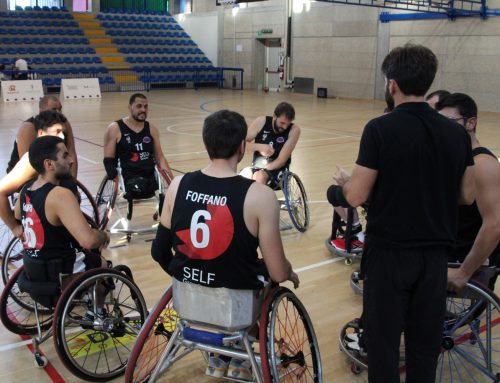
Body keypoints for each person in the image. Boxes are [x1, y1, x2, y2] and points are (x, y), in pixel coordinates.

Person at [329, 44, 475, 383]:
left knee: (383, 348)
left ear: (391, 83)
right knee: (424, 348)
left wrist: (336, 191)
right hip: (435, 257)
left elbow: (357, 194)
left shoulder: (380, 128)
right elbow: (466, 195)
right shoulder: (456, 133)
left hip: (390, 256)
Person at [151, 109, 299, 380]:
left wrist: (187, 272)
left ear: (206, 142)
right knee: (267, 277)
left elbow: (158, 251)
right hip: (236, 309)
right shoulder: (261, 196)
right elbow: (277, 272)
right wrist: (288, 271)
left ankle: (220, 358)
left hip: (186, 301)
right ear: (242, 146)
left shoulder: (178, 185)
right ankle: (239, 359)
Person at [14, 136, 109, 291]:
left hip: (33, 271)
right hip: (58, 274)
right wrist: (104, 236)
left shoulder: (25, 190)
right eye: (65, 156)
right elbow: (88, 241)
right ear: (49, 164)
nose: (71, 160)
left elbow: (18, 217)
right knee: (102, 263)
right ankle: (96, 312)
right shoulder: (60, 195)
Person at [435, 93, 500, 290]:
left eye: (449, 122)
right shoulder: (459, 158)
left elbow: (494, 226)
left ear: (470, 123)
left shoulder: (483, 165)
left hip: (460, 255)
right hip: (448, 243)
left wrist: (464, 272)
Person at [0, 110, 70, 239]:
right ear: (41, 133)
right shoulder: (30, 161)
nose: (63, 137)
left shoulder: (60, 156)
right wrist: (14, 227)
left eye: (63, 133)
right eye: (57, 132)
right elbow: (1, 191)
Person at [103, 93, 173, 198]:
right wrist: (113, 176)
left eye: (146, 106)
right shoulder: (115, 128)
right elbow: (108, 160)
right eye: (139, 106)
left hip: (150, 177)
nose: (143, 110)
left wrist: (172, 181)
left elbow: (160, 157)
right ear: (130, 107)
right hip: (127, 177)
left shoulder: (152, 129)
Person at [7, 95, 78, 177]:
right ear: (41, 111)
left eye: (60, 109)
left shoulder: (64, 123)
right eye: (54, 109)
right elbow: (28, 165)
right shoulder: (29, 127)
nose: (58, 112)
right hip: (24, 176)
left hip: (50, 172)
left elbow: (71, 153)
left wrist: (73, 181)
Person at [243, 102, 300, 186]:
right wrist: (259, 147)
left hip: (278, 169)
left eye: (287, 124)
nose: (284, 127)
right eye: (282, 123)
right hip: (257, 166)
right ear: (274, 116)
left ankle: (258, 198)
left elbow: (281, 161)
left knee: (259, 176)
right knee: (244, 174)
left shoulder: (294, 130)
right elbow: (242, 144)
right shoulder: (261, 122)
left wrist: (263, 169)